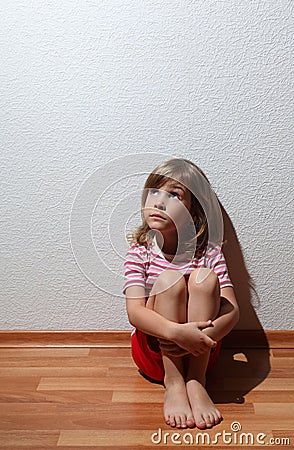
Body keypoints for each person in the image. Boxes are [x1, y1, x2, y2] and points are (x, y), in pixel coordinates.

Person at [123, 158, 239, 430]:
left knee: (204, 279)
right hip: (155, 355)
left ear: (194, 213)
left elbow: (232, 310)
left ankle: (196, 381)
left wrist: (200, 337)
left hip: (201, 352)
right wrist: (176, 333)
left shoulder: (209, 253)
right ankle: (174, 382)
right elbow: (134, 312)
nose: (159, 202)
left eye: (174, 195)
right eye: (154, 192)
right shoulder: (140, 253)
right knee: (170, 280)